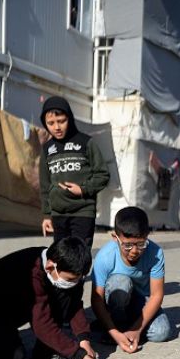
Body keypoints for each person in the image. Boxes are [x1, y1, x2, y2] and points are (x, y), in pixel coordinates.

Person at [0, 237, 101, 359]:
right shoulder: (31, 271)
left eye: (79, 278)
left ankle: (43, 355)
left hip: (22, 305)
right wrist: (79, 356)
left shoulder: (62, 266)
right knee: (16, 357)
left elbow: (74, 304)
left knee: (63, 297)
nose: (75, 282)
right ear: (49, 266)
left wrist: (84, 340)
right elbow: (42, 324)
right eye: (71, 279)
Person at [91, 207, 174, 353]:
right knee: (120, 282)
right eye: (127, 245)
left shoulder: (156, 253)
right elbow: (97, 299)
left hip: (141, 303)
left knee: (162, 332)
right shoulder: (104, 257)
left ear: (147, 236)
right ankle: (114, 329)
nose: (135, 251)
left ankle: (128, 331)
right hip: (117, 299)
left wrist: (136, 330)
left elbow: (156, 295)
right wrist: (114, 333)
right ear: (115, 238)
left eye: (141, 244)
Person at [39, 96, 110, 249]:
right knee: (61, 256)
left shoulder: (86, 143)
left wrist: (83, 189)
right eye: (51, 123)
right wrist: (46, 215)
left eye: (61, 121)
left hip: (83, 211)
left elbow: (102, 175)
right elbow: (45, 185)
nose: (56, 127)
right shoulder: (47, 149)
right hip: (58, 214)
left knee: (80, 255)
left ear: (69, 119)